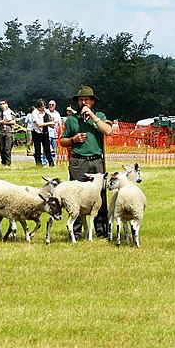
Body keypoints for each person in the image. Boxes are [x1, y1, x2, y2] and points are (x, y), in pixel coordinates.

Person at [60, 84, 113, 239]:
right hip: (78, 162)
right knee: (75, 196)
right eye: (81, 100)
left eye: (87, 100)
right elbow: (62, 141)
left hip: (96, 162)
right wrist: (73, 140)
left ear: (92, 102)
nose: (83, 102)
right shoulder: (72, 120)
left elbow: (108, 131)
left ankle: (101, 232)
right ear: (78, 102)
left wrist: (93, 116)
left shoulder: (100, 116)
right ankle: (75, 233)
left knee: (99, 197)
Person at [30, 99, 55, 167]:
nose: (43, 108)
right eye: (42, 107)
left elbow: (51, 119)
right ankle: (38, 164)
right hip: (36, 133)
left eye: (44, 106)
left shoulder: (46, 112)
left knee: (47, 149)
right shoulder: (34, 113)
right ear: (39, 107)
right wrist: (50, 123)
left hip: (45, 132)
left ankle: (51, 163)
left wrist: (52, 122)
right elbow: (39, 124)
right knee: (37, 149)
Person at [0, 99, 16, 166]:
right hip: (1, 132)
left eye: (3, 103)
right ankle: (3, 162)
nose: (2, 105)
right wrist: (0, 122)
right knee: (1, 148)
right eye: (0, 104)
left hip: (9, 132)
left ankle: (8, 163)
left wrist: (5, 122)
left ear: (6, 104)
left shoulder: (10, 112)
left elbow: (13, 122)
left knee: (7, 148)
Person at [46, 100, 62, 165]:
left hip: (55, 135)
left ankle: (52, 163)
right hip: (47, 134)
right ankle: (45, 162)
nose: (51, 106)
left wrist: (60, 133)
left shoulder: (57, 114)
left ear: (55, 106)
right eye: (50, 104)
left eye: (52, 105)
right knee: (46, 149)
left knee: (54, 150)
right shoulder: (45, 112)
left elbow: (60, 124)